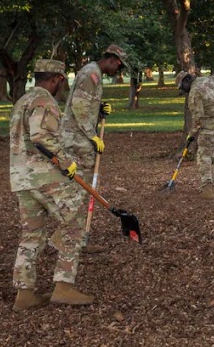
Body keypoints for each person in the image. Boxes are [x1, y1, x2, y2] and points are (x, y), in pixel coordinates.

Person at [9, 59, 93, 309]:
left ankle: (24, 294)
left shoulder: (22, 101)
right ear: (56, 78)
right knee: (75, 221)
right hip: (44, 177)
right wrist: (67, 162)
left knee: (31, 234)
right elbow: (41, 136)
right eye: (62, 81)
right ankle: (63, 286)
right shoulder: (44, 100)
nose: (62, 86)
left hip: (21, 179)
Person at [61, 44, 129, 253]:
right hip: (77, 140)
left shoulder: (93, 72)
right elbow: (78, 107)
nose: (118, 70)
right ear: (111, 60)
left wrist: (98, 109)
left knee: (80, 190)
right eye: (118, 66)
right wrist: (92, 136)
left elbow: (85, 104)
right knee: (79, 191)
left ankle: (73, 239)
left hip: (79, 138)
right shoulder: (91, 74)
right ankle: (73, 241)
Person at [177, 70, 214, 199]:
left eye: (182, 86)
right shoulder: (206, 79)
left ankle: (207, 189)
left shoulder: (194, 93)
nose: (183, 90)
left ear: (187, 80)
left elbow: (198, 118)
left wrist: (191, 134)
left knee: (203, 154)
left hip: (212, 123)